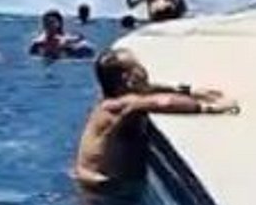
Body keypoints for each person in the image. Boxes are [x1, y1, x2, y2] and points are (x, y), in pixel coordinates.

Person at [73, 50, 238, 193]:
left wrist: (190, 90)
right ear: (128, 78)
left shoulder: (113, 99)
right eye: (138, 67)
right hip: (103, 189)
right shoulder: (119, 106)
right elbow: (163, 103)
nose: (144, 71)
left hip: (97, 182)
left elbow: (147, 88)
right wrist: (212, 108)